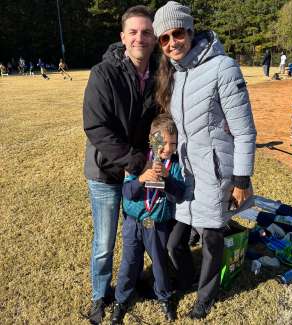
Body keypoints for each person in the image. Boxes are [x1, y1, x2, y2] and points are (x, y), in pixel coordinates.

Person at [153, 1, 256, 319]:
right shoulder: (177, 74)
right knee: (174, 244)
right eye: (165, 38)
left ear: (191, 31)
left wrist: (240, 180)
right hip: (188, 175)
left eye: (178, 33)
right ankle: (188, 281)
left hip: (216, 174)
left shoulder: (223, 67)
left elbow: (245, 132)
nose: (172, 42)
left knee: (211, 240)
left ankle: (205, 298)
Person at [83, 5, 157, 324]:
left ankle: (132, 282)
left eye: (146, 32)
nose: (140, 37)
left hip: (140, 171)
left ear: (154, 38)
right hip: (106, 173)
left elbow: (161, 116)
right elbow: (96, 126)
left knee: (136, 233)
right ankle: (100, 296)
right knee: (104, 241)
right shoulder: (104, 73)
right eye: (134, 31)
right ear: (123, 37)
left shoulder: (159, 73)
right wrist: (134, 162)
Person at [111, 114, 185, 324]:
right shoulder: (138, 160)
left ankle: (164, 296)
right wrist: (142, 178)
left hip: (157, 224)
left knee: (160, 262)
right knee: (130, 262)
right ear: (152, 140)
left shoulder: (175, 166)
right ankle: (121, 299)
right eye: (162, 142)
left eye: (173, 143)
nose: (167, 148)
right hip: (133, 222)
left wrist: (167, 180)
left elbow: (177, 195)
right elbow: (127, 192)